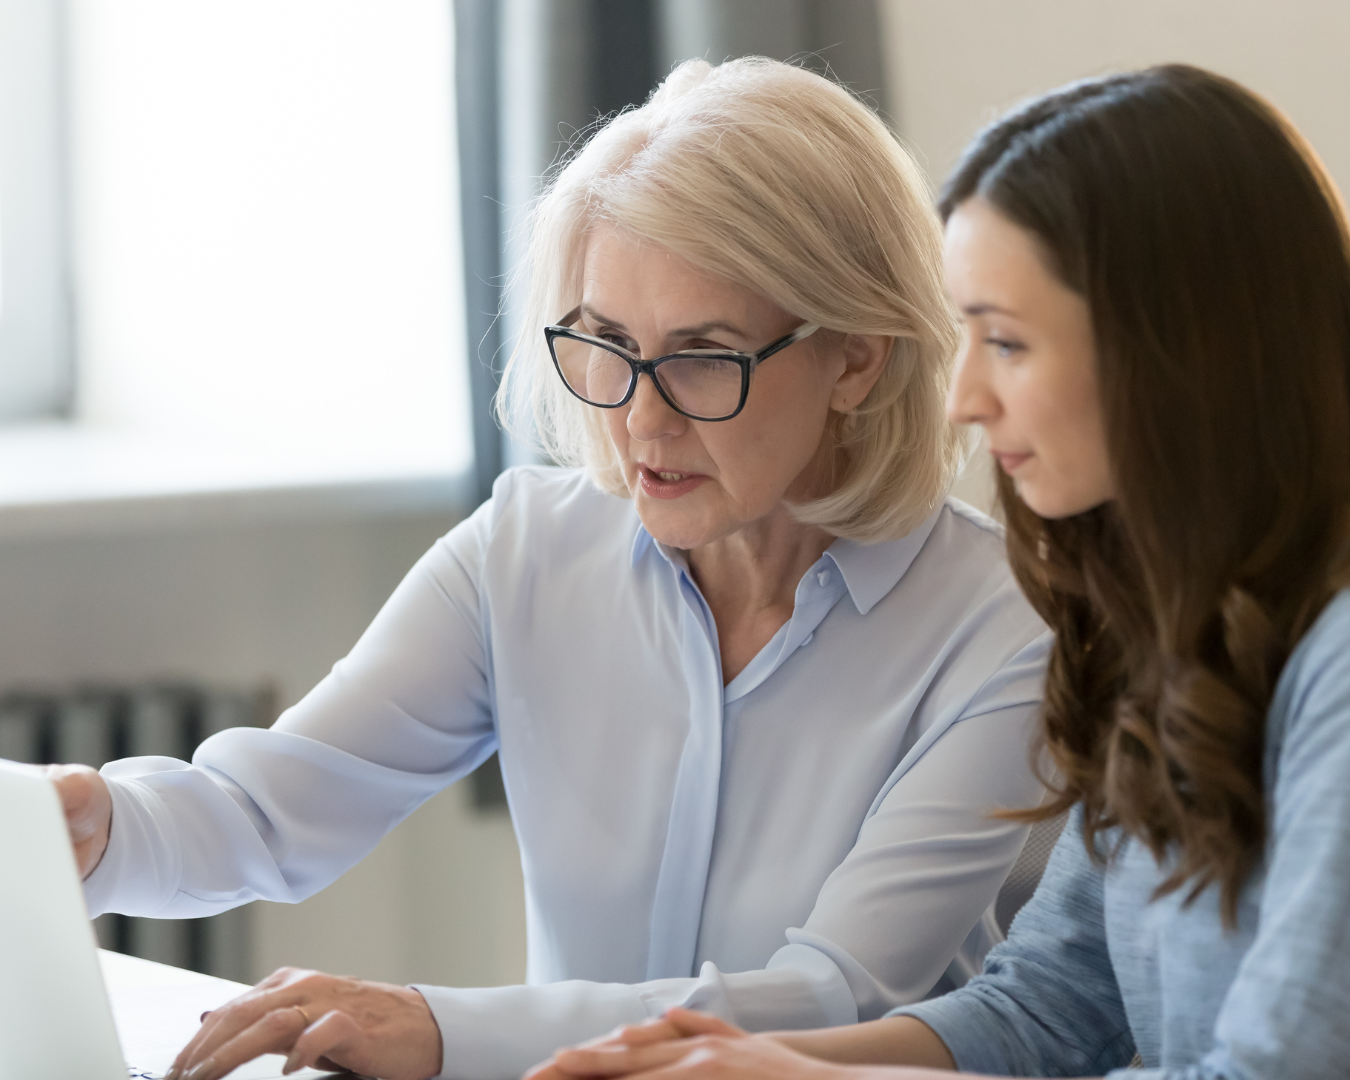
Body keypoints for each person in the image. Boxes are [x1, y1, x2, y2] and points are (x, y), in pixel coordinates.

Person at [51, 58, 1049, 1080]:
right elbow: (270, 807)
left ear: (857, 357)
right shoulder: (528, 549)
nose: (638, 419)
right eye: (607, 343)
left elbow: (834, 994)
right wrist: (94, 825)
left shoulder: (1005, 632)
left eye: (703, 355)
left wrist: (437, 1028)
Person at [530, 64, 1350, 1080]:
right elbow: (1046, 1009)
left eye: (1005, 342)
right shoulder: (1169, 637)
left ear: (1181, 354)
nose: (963, 396)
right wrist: (745, 1061)